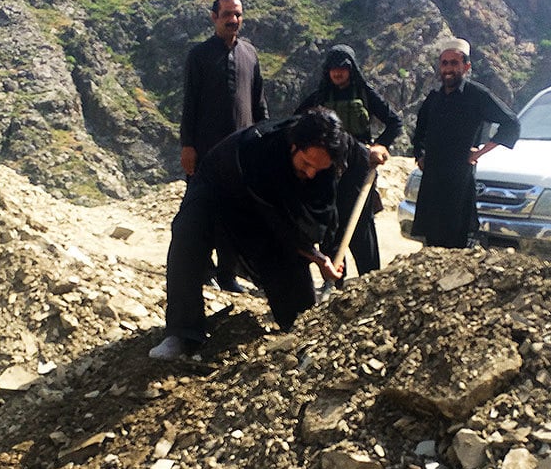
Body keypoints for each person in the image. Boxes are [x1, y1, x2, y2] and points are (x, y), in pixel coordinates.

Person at [149, 108, 388, 361]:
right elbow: (281, 227)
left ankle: (298, 328)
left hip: (270, 205)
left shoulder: (331, 149)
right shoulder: (261, 150)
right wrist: (318, 258)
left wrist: (372, 152)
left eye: (318, 169)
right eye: (306, 164)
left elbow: (355, 160)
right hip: (220, 186)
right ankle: (182, 333)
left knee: (301, 317)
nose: (310, 174)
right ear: (294, 146)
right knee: (189, 232)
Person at [180, 0, 268, 292]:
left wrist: (262, 143)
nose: (233, 19)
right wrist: (188, 146)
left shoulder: (250, 54)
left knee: (234, 213)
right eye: (227, 14)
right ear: (214, 17)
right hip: (205, 152)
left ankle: (228, 275)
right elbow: (189, 104)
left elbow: (259, 105)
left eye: (238, 14)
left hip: (241, 153)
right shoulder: (200, 55)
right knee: (201, 211)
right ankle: (201, 271)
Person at [295, 44, 402, 276]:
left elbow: (394, 122)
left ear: (351, 69)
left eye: (342, 68)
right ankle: (333, 279)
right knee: (330, 222)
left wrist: (379, 145)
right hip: (327, 168)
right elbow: (296, 122)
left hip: (360, 165)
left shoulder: (364, 93)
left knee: (361, 222)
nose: (337, 73)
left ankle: (369, 277)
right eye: (333, 68)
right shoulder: (320, 96)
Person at [412, 38, 520, 248]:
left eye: (454, 63)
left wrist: (479, 153)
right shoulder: (434, 98)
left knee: (458, 240)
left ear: (466, 66)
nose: (449, 68)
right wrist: (420, 155)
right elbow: (419, 132)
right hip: (433, 180)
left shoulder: (477, 96)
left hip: (459, 180)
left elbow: (511, 123)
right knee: (431, 243)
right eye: (445, 63)